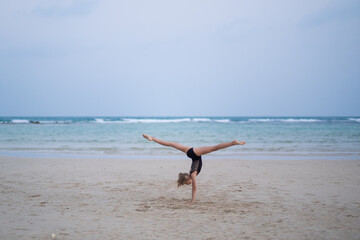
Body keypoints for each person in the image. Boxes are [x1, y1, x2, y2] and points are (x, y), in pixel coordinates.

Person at [142, 134, 246, 204]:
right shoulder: (190, 173)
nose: (189, 184)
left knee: (215, 148)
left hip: (195, 153)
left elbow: (195, 188)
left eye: (187, 183)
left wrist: (192, 201)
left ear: (187, 178)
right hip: (189, 152)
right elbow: (192, 183)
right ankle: (153, 138)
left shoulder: (192, 175)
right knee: (170, 144)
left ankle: (233, 143)